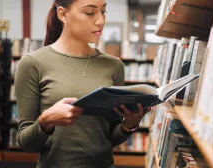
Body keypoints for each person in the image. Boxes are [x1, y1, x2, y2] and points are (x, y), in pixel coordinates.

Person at [15, 0, 151, 167]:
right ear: (63, 14)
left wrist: (129, 124)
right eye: (90, 12)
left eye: (103, 12)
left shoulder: (114, 66)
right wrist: (46, 121)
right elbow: (26, 143)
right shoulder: (32, 63)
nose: (100, 20)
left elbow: (109, 138)